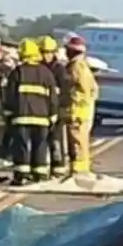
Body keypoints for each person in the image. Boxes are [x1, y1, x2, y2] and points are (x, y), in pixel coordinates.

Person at [4, 38, 59, 185]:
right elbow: (53, 98)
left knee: (21, 146)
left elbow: (10, 97)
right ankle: (39, 175)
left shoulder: (17, 72)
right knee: (40, 146)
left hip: (21, 118)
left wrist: (8, 115)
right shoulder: (46, 73)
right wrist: (53, 117)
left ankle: (21, 176)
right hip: (42, 119)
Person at [62, 36, 98, 174]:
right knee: (81, 141)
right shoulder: (82, 65)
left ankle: (79, 171)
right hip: (82, 110)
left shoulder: (76, 66)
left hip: (77, 110)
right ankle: (80, 169)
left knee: (77, 142)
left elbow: (83, 88)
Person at [39, 36, 70, 177]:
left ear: (54, 53)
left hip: (56, 109)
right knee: (41, 140)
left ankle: (58, 167)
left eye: (49, 52)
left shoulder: (59, 70)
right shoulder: (38, 68)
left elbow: (65, 91)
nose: (46, 56)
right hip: (41, 110)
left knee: (56, 140)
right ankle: (42, 168)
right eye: (44, 52)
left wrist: (61, 109)